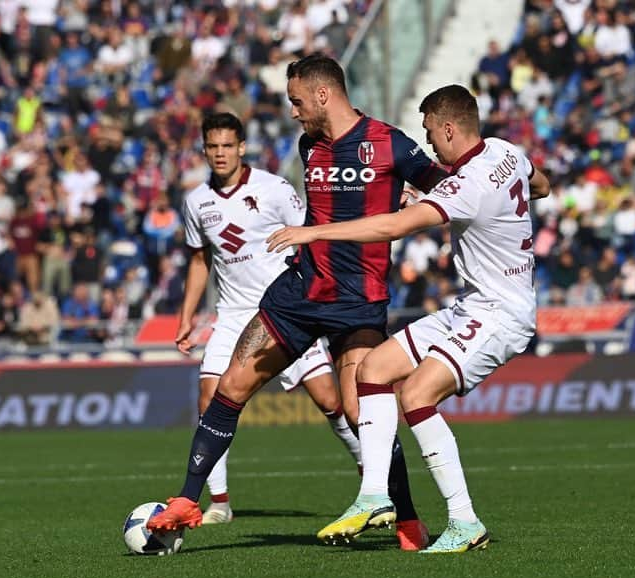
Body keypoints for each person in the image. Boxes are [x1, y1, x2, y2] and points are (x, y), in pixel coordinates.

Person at [147, 53, 449, 551]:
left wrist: (423, 204)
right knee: (231, 385)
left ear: (323, 94)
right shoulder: (309, 145)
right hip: (300, 292)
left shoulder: (390, 144)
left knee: (358, 409)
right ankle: (187, 499)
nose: (293, 111)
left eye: (297, 100)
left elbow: (447, 189)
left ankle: (408, 520)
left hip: (359, 300)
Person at [266, 84, 551, 553]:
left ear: (448, 128)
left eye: (431, 134)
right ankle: (375, 495)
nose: (430, 146)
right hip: (473, 305)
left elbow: (393, 227)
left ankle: (464, 522)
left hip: (501, 314)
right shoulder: (506, 152)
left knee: (417, 395)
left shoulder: (469, 183)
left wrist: (313, 231)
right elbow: (541, 185)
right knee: (374, 370)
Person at [175, 112, 363, 525]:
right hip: (232, 314)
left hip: (285, 309)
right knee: (210, 399)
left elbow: (312, 235)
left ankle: (370, 475)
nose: (220, 153)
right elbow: (199, 260)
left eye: (228, 145)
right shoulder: (196, 202)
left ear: (242, 147)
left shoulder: (274, 189)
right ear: (204, 150)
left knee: (331, 402)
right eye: (213, 147)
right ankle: (218, 502)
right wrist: (187, 316)